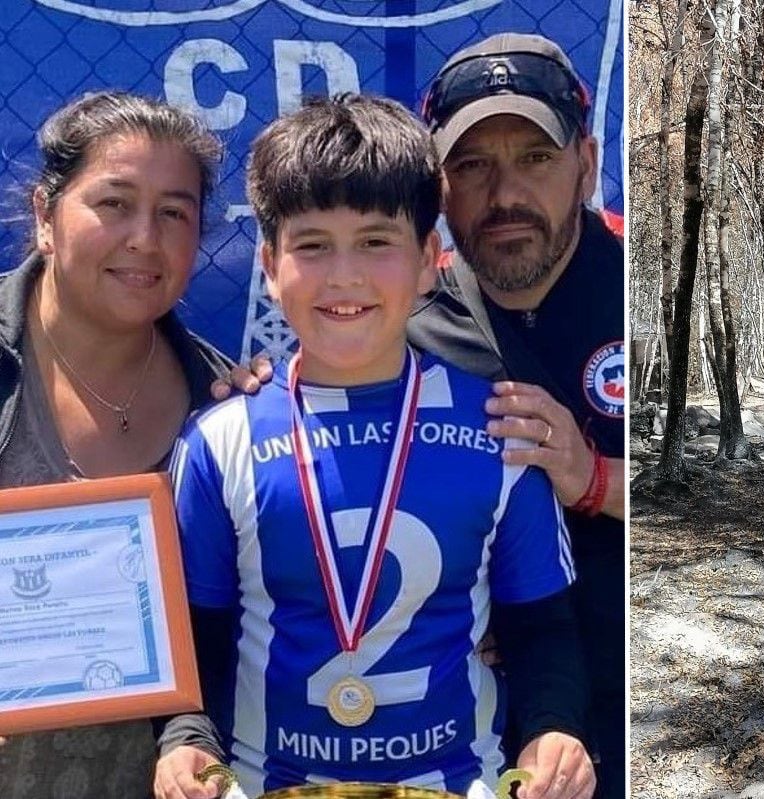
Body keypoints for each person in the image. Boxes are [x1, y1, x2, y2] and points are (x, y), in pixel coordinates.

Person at [153, 94, 594, 799]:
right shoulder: (220, 440)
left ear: (428, 259)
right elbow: (194, 642)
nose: (344, 276)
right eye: (312, 245)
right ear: (269, 264)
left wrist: (552, 729)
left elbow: (543, 631)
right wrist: (185, 740)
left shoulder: (497, 430)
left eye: (375, 242)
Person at [409, 33, 626, 799]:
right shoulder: (407, 330)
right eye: (472, 166)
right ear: (439, 189)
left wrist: (593, 476)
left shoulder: (650, 288)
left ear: (587, 165)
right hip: (489, 723)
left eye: (535, 157)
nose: (505, 194)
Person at [0, 92, 235, 799]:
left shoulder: (224, 408)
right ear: (45, 215)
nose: (145, 237)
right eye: (114, 203)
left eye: (174, 212)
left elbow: (230, 627)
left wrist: (191, 739)